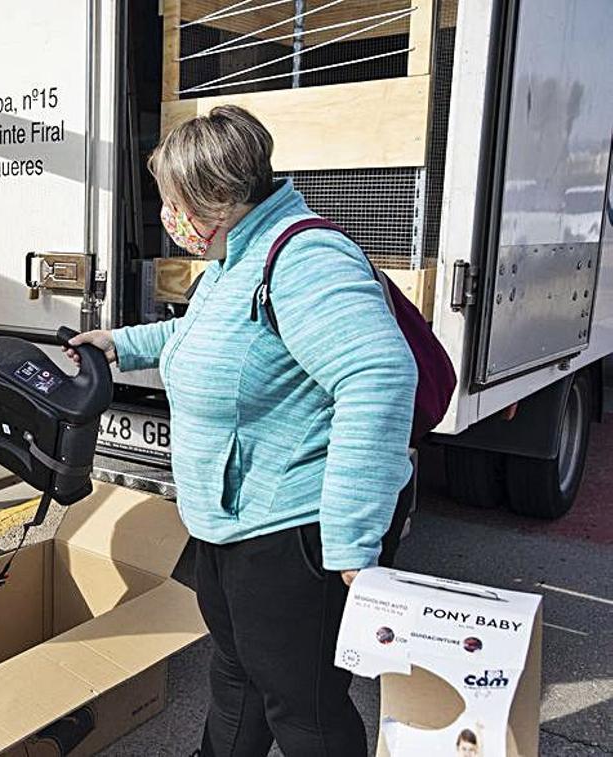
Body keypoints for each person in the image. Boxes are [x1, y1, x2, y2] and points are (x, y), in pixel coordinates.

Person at [64, 106, 416, 756]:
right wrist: (120, 343)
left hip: (294, 535)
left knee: (302, 707)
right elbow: (204, 336)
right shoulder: (237, 257)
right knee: (238, 679)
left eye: (174, 201)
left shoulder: (304, 257)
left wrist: (350, 540)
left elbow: (380, 377)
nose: (168, 215)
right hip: (232, 528)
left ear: (217, 198)